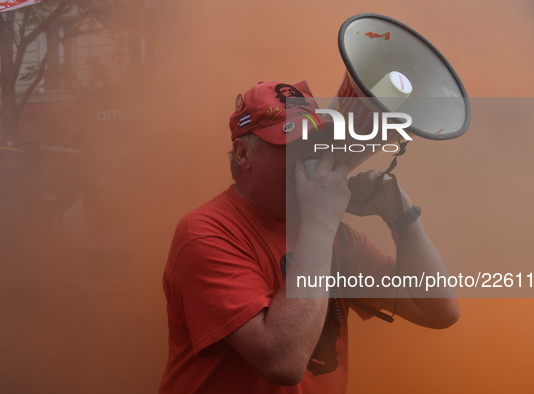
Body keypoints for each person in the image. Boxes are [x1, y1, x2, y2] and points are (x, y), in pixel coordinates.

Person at [159, 80, 459, 393]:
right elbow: (283, 362)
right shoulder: (205, 232)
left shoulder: (333, 233)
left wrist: (401, 215)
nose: (311, 156)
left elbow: (438, 310)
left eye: (316, 141)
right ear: (243, 154)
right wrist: (320, 220)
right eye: (292, 144)